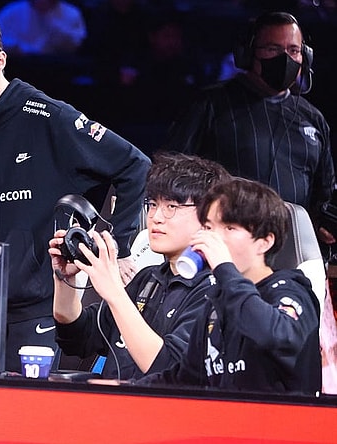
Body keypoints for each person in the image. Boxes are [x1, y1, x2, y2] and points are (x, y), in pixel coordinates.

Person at [0, 12, 150, 373]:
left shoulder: (50, 118)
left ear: (0, 60)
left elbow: (134, 166)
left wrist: (116, 248)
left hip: (38, 310)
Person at [164, 11, 335, 255]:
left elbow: (323, 196)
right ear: (248, 53)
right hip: (221, 251)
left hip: (293, 254)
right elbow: (172, 172)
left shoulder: (313, 119)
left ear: (304, 57)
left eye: (293, 50)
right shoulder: (211, 105)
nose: (285, 58)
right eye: (273, 49)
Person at [49, 152, 231, 380]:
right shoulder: (148, 279)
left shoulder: (217, 291)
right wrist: (64, 280)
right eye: (153, 204)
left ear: (210, 217)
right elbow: (78, 341)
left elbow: (168, 369)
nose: (156, 217)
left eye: (172, 206)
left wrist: (114, 292)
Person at [140, 177, 321, 394]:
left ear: (265, 241)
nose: (213, 237)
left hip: (281, 424)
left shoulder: (290, 291)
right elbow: (185, 378)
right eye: (208, 227)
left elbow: (277, 337)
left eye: (229, 228)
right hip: (222, 424)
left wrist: (225, 268)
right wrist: (124, 391)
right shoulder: (216, 301)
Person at [0, 0, 87, 57]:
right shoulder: (12, 11)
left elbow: (76, 44)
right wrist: (15, 48)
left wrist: (51, 20)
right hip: (18, 66)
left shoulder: (72, 13)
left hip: (55, 67)